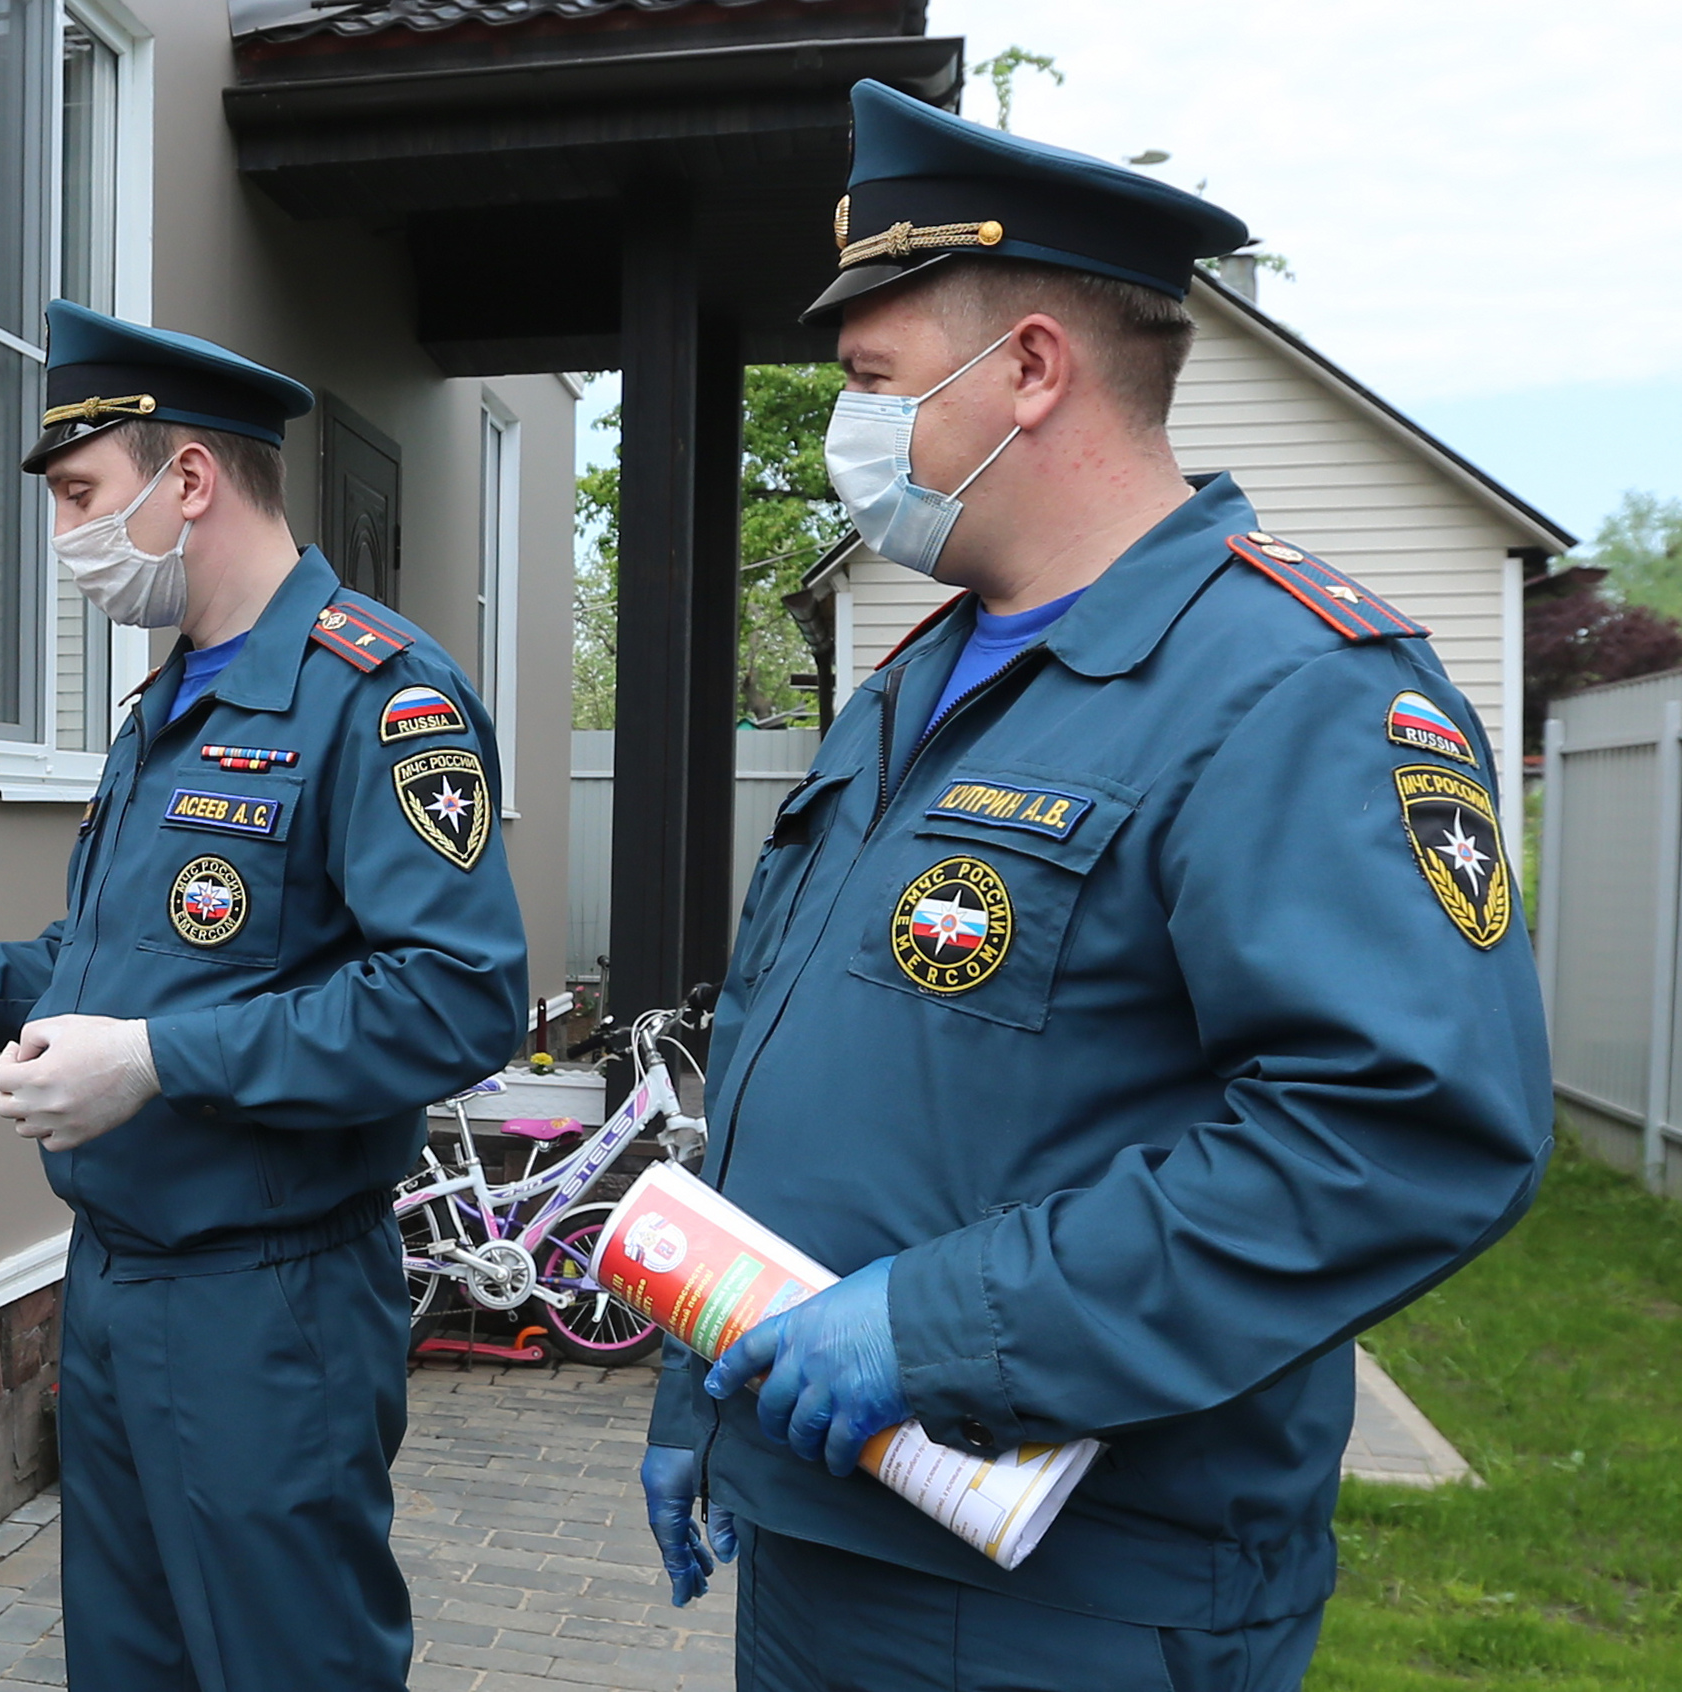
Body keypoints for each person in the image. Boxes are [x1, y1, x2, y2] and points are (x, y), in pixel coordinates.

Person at [635, 82, 1551, 1691]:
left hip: (1070, 1601)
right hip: (830, 1531)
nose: (853, 434)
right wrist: (705, 1383)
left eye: (872, 384)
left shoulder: (1290, 691)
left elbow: (1402, 1133)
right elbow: (837, 1079)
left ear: (1032, 372)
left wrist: (936, 1331)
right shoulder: (921, 680)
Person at [0, 301, 528, 1691]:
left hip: (267, 1301)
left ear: (189, 482)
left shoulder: (379, 694)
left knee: (286, 1664)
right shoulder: (168, 709)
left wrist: (166, 1059)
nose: (65, 543)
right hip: (116, 1284)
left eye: (79, 497)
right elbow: (96, 975)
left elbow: (459, 999)